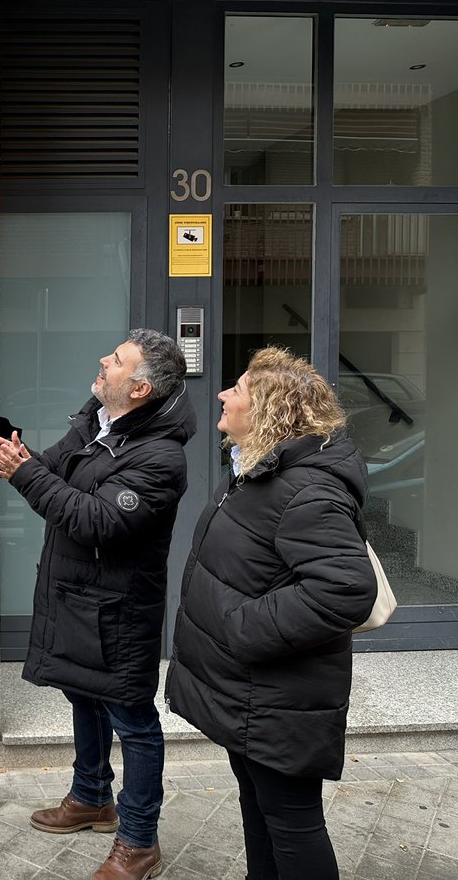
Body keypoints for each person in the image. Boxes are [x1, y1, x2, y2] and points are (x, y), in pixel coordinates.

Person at [0, 329, 195, 880]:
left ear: (140, 388)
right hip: (76, 595)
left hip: (119, 611)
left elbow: (96, 519)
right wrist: (21, 457)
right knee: (82, 695)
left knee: (133, 720)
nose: (104, 360)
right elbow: (51, 470)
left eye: (117, 360)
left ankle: (138, 839)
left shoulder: (161, 458)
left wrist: (23, 472)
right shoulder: (99, 423)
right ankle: (91, 797)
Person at [165, 347, 377, 880]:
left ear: (267, 410)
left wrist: (241, 627)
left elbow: (346, 589)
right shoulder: (258, 471)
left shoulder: (307, 491)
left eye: (235, 389)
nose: (220, 394)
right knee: (260, 808)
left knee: (292, 822)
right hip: (252, 692)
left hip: (280, 699)